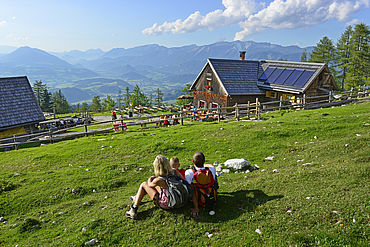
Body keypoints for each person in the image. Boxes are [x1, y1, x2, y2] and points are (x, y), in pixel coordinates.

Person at [126, 155, 183, 219]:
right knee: (159, 187)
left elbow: (150, 185)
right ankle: (136, 197)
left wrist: (150, 179)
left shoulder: (158, 180)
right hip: (180, 198)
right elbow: (183, 180)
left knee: (144, 184)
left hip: (169, 204)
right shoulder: (175, 171)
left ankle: (133, 209)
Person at [185, 152, 218, 217]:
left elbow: (190, 188)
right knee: (215, 179)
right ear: (204, 161)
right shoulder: (211, 169)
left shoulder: (189, 172)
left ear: (193, 162)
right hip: (211, 197)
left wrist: (196, 208)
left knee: (191, 186)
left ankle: (196, 206)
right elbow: (210, 165)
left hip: (198, 198)